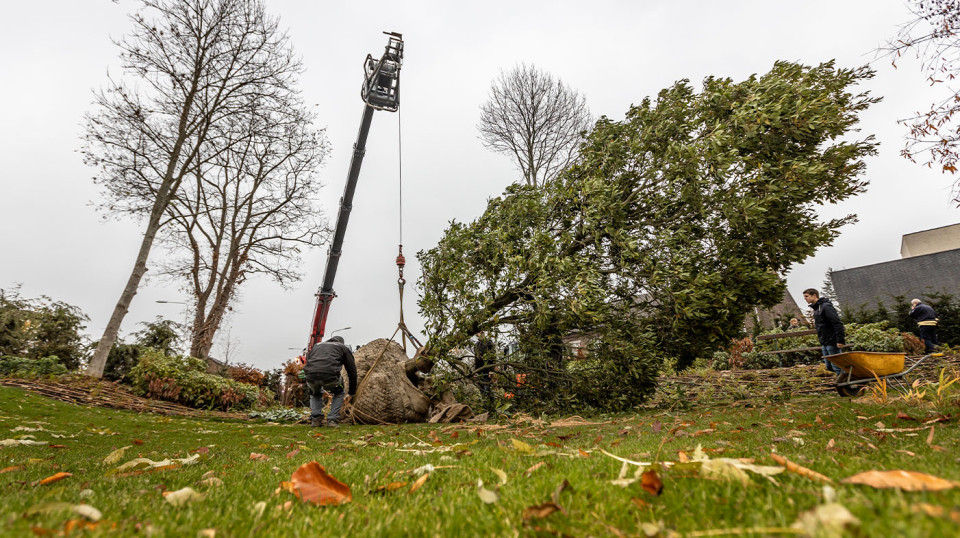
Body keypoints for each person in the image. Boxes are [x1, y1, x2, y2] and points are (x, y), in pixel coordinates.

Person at [303, 335, 357, 428]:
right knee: (339, 393)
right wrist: (351, 393)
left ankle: (316, 420)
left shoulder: (317, 346)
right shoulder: (343, 347)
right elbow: (352, 372)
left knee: (315, 393)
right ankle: (332, 420)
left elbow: (309, 360)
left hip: (310, 376)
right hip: (330, 376)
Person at [803, 288, 845, 375]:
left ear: (814, 295)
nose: (805, 298)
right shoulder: (816, 309)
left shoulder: (826, 307)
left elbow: (837, 323)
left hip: (832, 340)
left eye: (806, 296)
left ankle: (845, 384)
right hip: (824, 341)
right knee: (829, 366)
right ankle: (843, 380)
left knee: (836, 365)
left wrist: (840, 340)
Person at [473, 331, 495, 400]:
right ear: (477, 334)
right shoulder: (476, 345)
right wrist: (475, 371)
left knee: (488, 389)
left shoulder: (489, 343)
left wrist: (491, 370)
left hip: (487, 370)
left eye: (482, 332)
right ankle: (486, 406)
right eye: (479, 332)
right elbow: (476, 359)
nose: (480, 333)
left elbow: (493, 358)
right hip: (480, 370)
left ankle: (491, 406)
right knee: (482, 390)